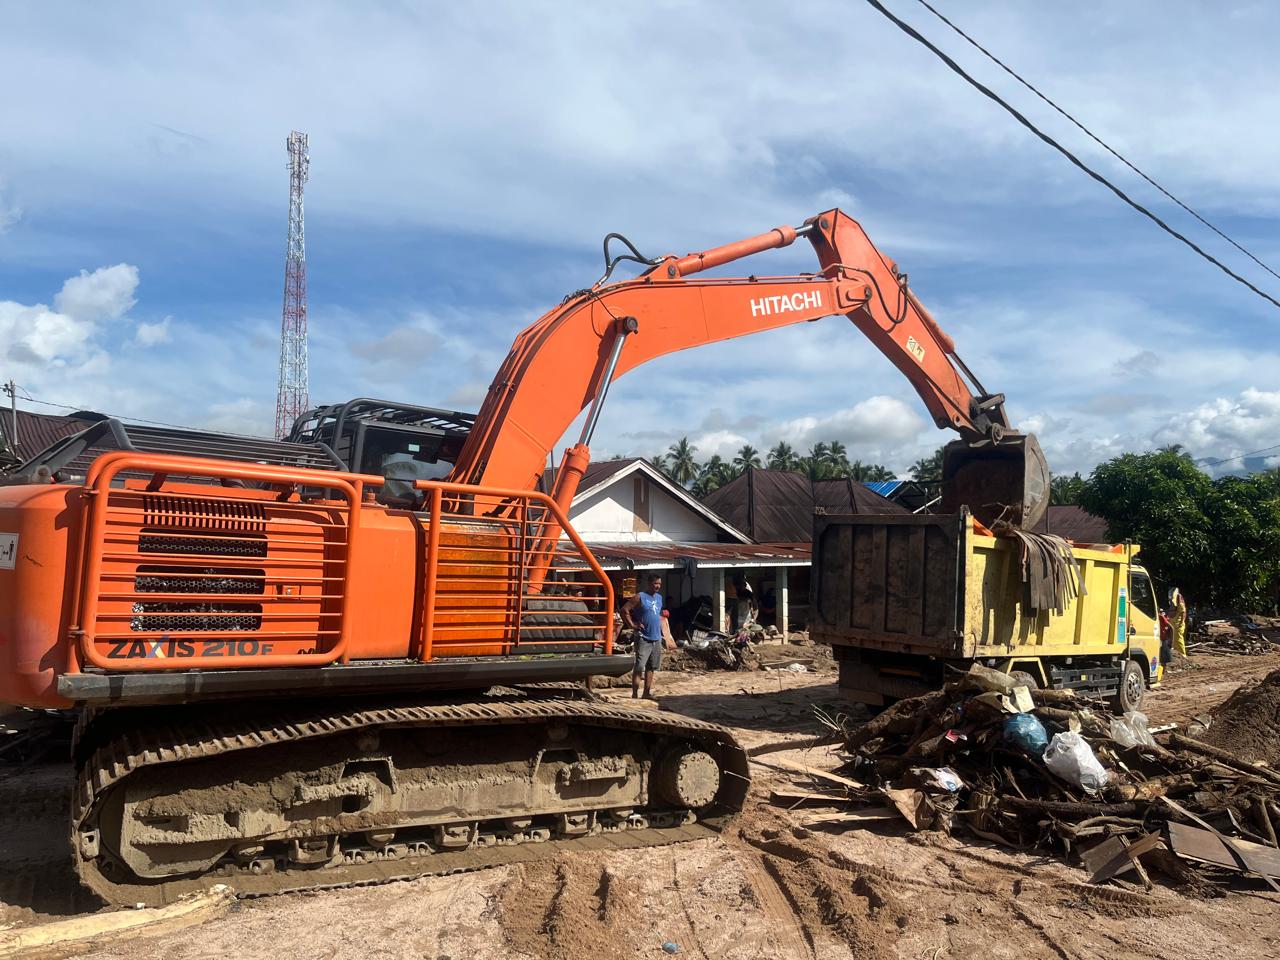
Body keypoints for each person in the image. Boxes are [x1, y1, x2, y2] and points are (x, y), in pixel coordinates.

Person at [622, 574, 665, 700]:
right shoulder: (640, 597)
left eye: (659, 584)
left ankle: (646, 693)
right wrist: (632, 624)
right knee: (640, 666)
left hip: (656, 637)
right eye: (655, 583)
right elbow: (624, 610)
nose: (657, 586)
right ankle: (635, 694)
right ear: (649, 583)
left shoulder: (659, 598)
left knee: (651, 667)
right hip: (643, 637)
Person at [1167, 587, 1188, 658]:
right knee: (1172, 640)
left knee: (1178, 639)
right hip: (1173, 624)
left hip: (1178, 624)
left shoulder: (1180, 603)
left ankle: (1183, 654)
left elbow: (1183, 612)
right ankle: (1176, 655)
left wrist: (1181, 622)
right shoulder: (1172, 603)